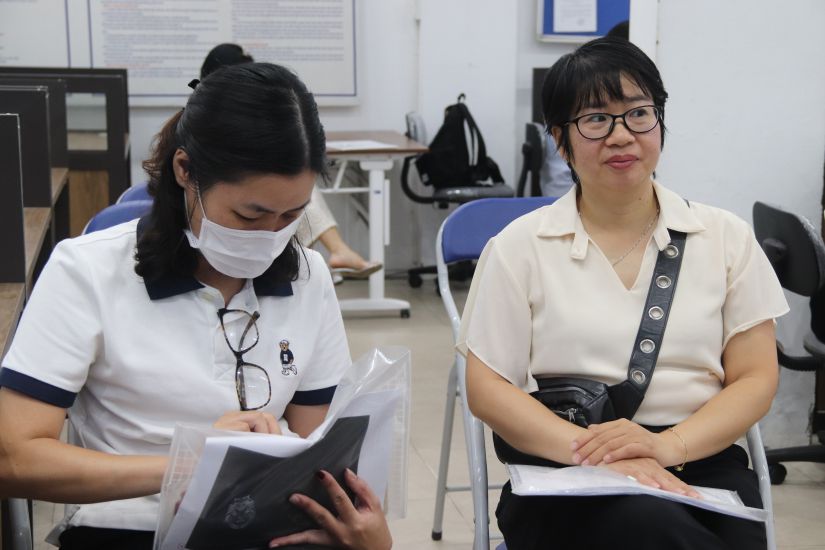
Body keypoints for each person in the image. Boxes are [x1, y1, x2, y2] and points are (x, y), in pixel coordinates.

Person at [0, 62, 390, 550]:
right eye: (250, 214)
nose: (271, 235)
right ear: (186, 171)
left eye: (291, 215)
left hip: (267, 524)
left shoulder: (308, 277)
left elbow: (325, 455)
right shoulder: (89, 271)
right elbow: (15, 458)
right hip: (130, 527)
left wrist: (364, 530)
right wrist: (191, 466)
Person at [460, 36, 788, 550]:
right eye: (595, 119)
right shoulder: (519, 247)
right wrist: (607, 455)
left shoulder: (724, 237)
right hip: (566, 466)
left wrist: (663, 446)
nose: (621, 136)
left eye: (638, 113)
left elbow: (755, 376)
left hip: (698, 455)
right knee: (646, 529)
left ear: (660, 122)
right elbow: (488, 389)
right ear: (559, 140)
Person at [200, 43, 382, 281]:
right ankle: (331, 253)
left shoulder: (257, 116)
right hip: (228, 216)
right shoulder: (203, 118)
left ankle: (322, 256)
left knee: (293, 191)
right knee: (280, 197)